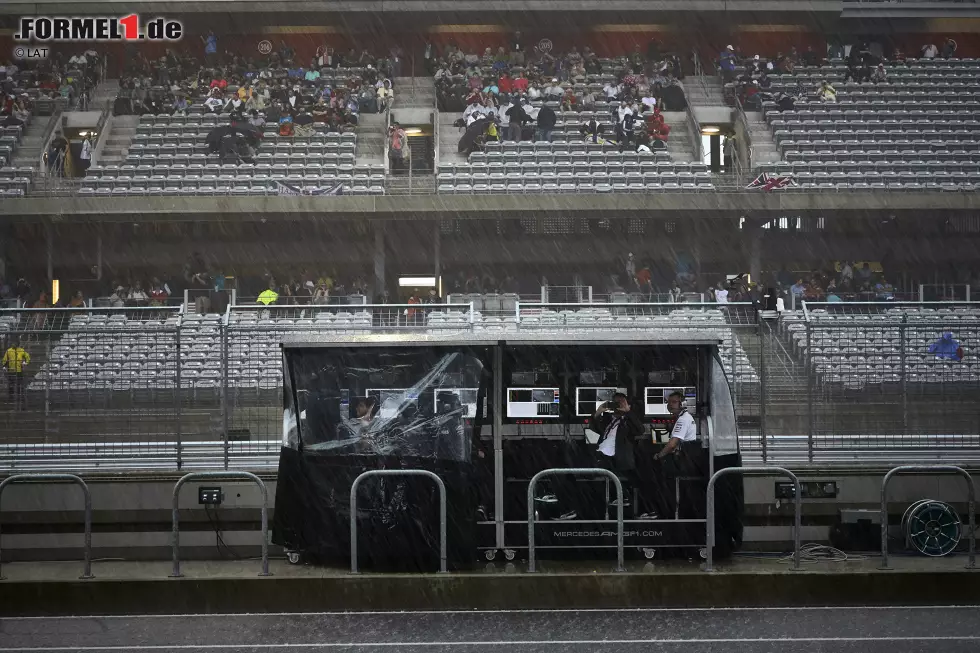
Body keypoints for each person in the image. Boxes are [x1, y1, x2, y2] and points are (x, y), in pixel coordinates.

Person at [2, 338, 30, 410]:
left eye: (14, 343)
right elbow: (5, 359)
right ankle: (11, 398)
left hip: (19, 371)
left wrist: (26, 362)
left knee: (19, 385)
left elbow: (27, 356)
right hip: (11, 370)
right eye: (12, 343)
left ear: (18, 343)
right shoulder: (8, 351)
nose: (13, 344)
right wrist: (4, 366)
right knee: (11, 384)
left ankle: (19, 398)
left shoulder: (21, 350)